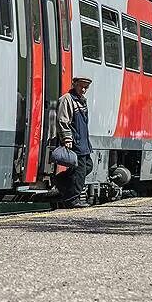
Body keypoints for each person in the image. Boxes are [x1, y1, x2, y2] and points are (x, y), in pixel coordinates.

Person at [56, 77, 94, 208]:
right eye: (81, 86)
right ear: (74, 85)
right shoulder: (67, 99)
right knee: (80, 170)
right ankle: (73, 199)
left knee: (88, 166)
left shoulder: (82, 100)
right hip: (75, 141)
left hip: (83, 141)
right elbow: (62, 120)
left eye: (85, 88)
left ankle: (60, 180)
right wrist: (66, 138)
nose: (83, 90)